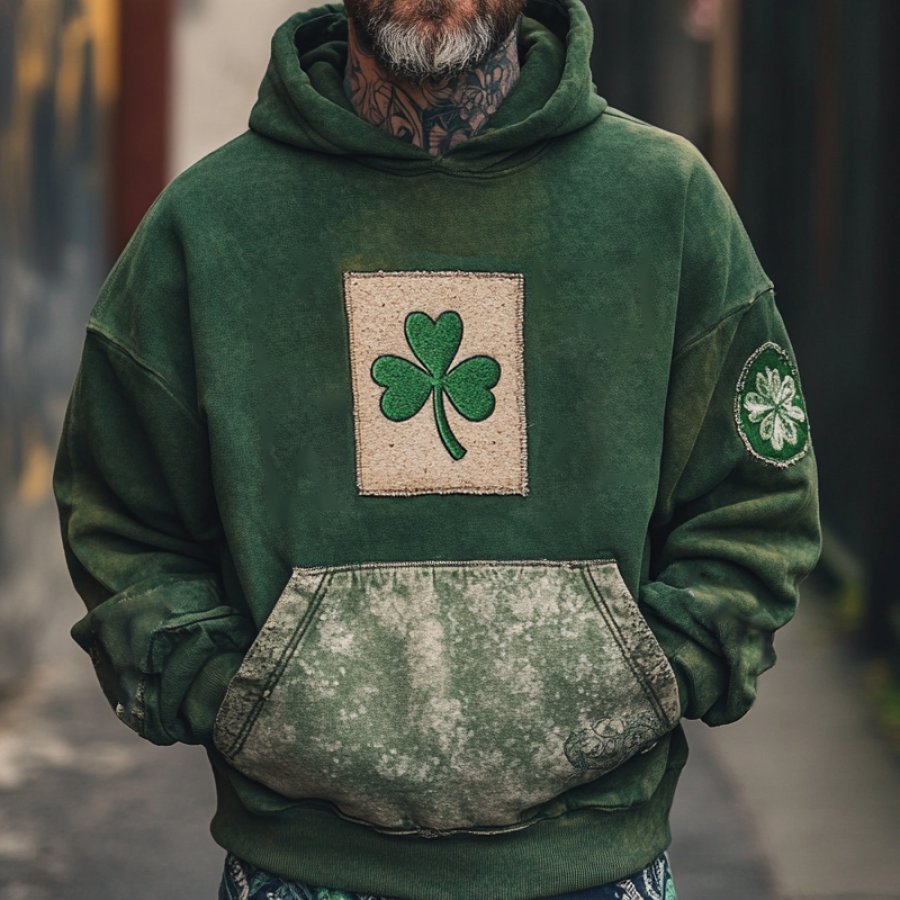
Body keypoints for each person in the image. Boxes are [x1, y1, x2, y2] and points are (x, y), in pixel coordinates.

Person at [52, 0, 822, 897]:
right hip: (301, 871)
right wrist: (239, 699)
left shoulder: (664, 201)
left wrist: (650, 677)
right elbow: (120, 518)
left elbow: (756, 507)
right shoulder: (211, 223)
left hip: (595, 867)